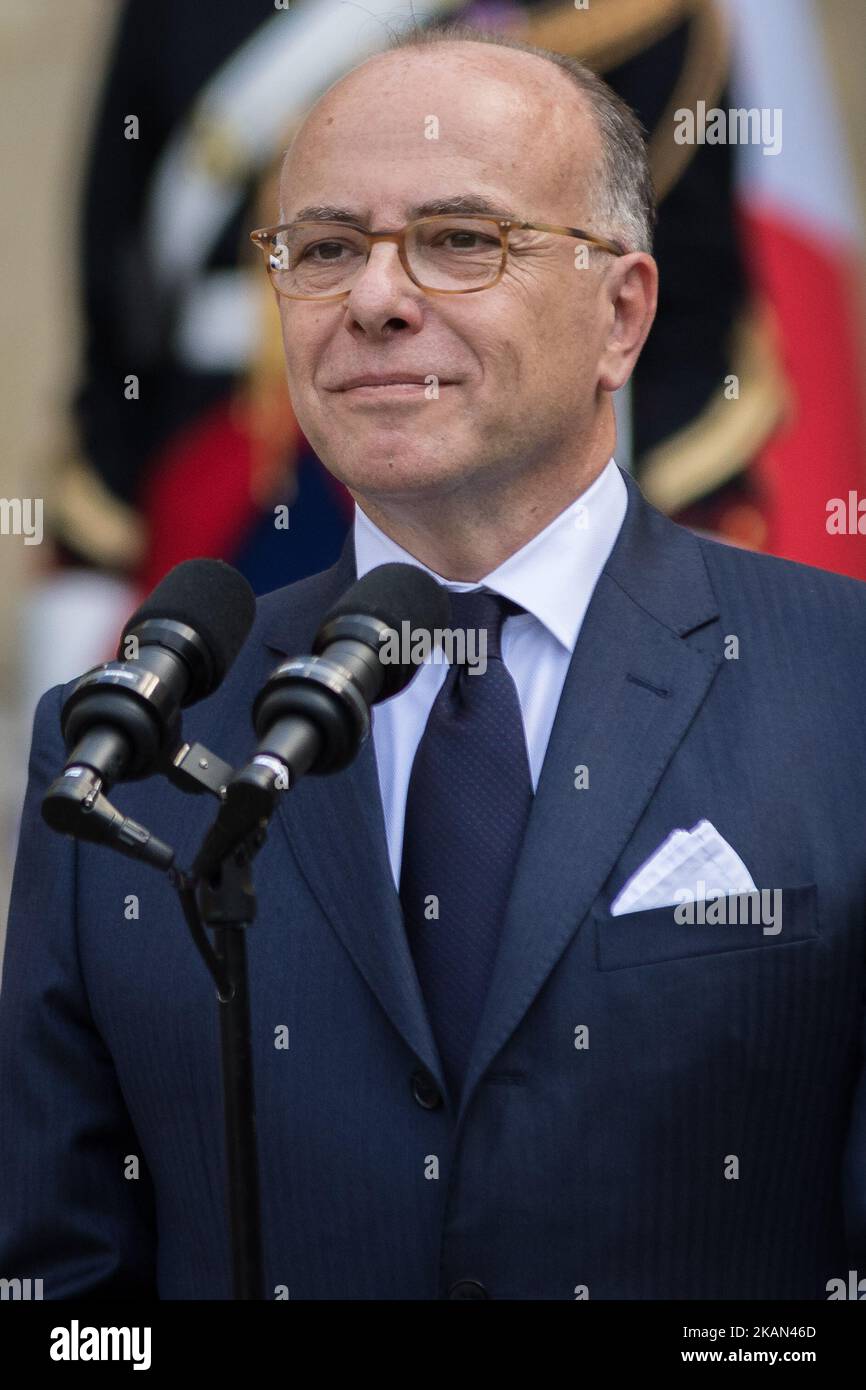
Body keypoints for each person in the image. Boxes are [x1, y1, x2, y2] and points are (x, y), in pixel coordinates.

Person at [2, 25, 865, 1301]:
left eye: (462, 240)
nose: (375, 297)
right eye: (328, 248)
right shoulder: (125, 741)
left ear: (621, 313)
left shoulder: (838, 685)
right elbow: (62, 1299)